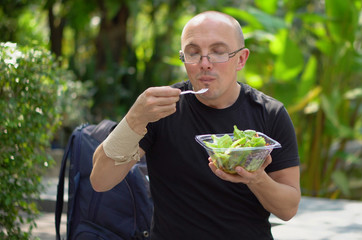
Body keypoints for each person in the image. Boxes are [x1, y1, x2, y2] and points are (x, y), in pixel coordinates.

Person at [90, 11, 300, 240]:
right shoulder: (162, 110)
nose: (205, 64)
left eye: (218, 52)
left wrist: (256, 178)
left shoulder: (269, 113)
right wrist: (134, 119)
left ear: (241, 59)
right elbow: (100, 180)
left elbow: (288, 209)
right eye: (193, 53)